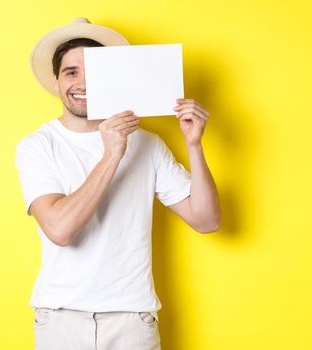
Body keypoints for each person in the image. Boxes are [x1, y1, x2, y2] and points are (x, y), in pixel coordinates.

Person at [15, 17, 220, 349]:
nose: (82, 83)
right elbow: (60, 230)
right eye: (71, 72)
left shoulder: (149, 144)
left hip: (132, 320)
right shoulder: (37, 146)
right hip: (60, 319)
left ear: (113, 78)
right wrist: (111, 154)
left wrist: (194, 145)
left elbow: (207, 220)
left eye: (93, 71)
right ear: (56, 81)